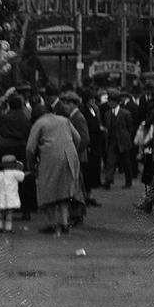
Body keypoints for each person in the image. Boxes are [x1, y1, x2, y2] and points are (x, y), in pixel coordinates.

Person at [25, 104, 83, 235]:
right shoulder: (64, 120)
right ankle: (64, 223)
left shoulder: (39, 123)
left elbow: (30, 148)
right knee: (64, 192)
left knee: (48, 190)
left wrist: (31, 164)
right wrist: (72, 150)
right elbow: (78, 138)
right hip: (69, 155)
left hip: (50, 157)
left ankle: (52, 224)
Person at [0, 93, 33, 219]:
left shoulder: (4, 117)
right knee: (22, 177)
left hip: (3, 148)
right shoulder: (25, 119)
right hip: (20, 148)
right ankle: (26, 210)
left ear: (8, 105)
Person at [61, 90, 90, 224]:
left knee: (77, 186)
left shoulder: (78, 117)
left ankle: (77, 215)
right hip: (75, 156)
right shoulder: (73, 117)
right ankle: (76, 214)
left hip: (77, 156)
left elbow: (84, 138)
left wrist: (74, 151)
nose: (65, 106)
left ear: (73, 104)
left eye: (67, 104)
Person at [103, 89, 134, 189]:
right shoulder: (107, 114)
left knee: (126, 163)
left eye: (111, 101)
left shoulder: (125, 113)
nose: (109, 103)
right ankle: (108, 181)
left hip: (123, 141)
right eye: (109, 101)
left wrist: (127, 137)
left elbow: (130, 128)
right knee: (110, 162)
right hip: (112, 141)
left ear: (116, 102)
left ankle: (128, 181)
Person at [0, 154, 25, 233]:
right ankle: (8, 228)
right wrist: (20, 168)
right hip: (11, 197)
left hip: (0, 198)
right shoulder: (16, 173)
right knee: (9, 213)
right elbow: (22, 176)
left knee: (0, 213)